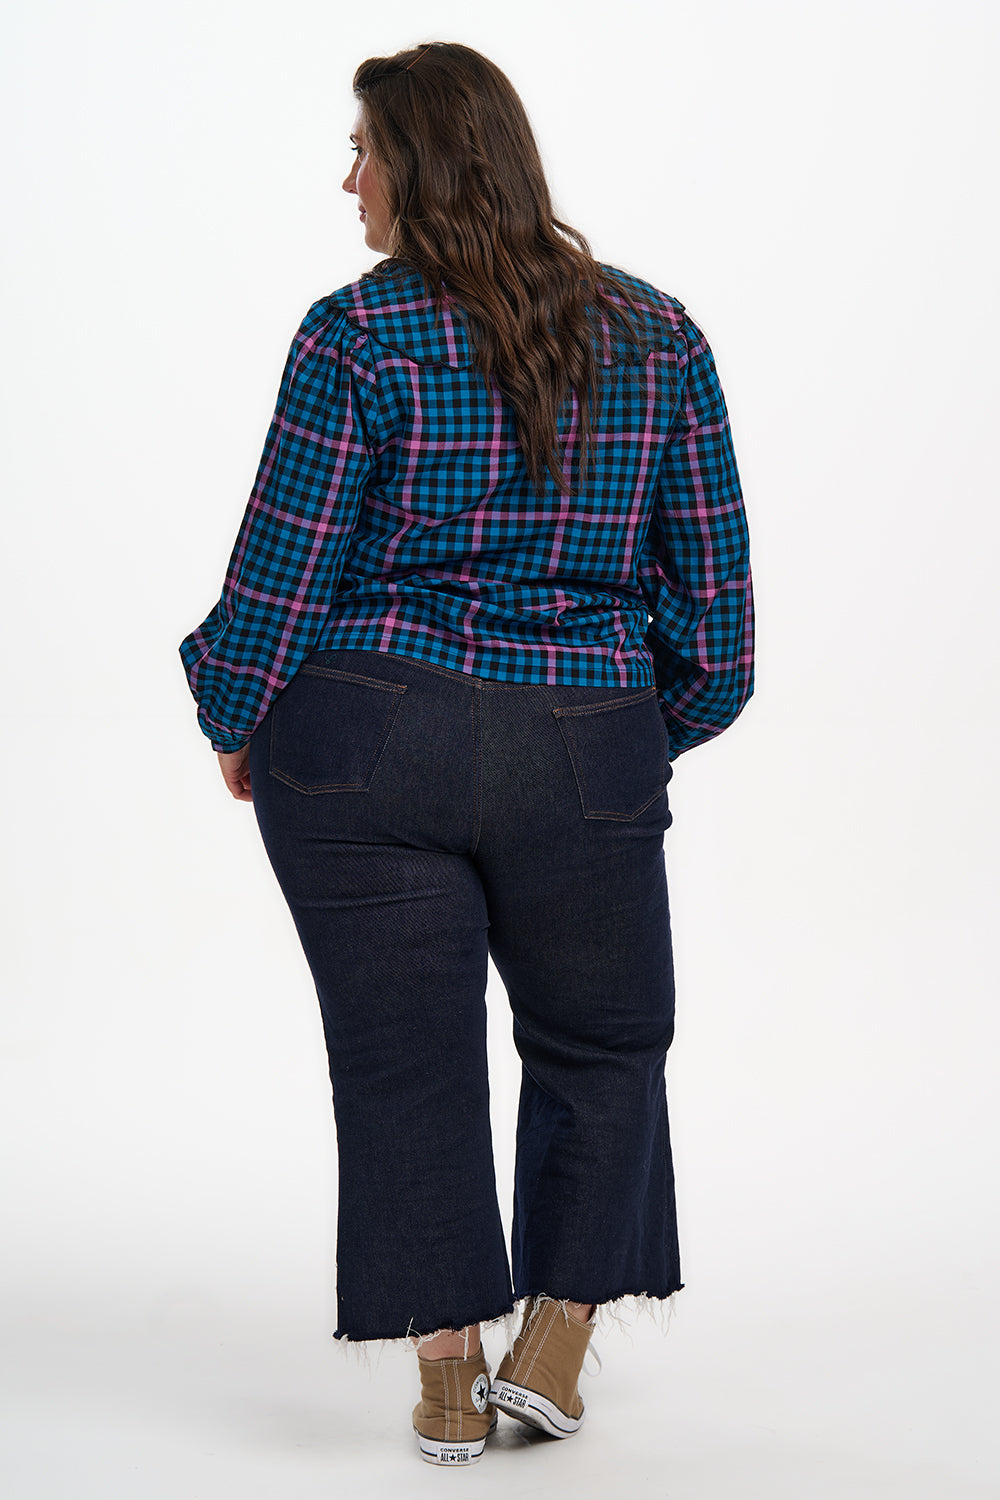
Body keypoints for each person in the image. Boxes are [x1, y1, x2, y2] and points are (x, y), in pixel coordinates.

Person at [179, 40, 753, 1467]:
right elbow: (723, 633)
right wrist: (616, 734)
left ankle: (448, 1372)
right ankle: (554, 1339)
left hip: (367, 740)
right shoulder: (660, 338)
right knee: (605, 1041)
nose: (348, 177)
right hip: (585, 733)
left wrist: (235, 712)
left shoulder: (354, 337)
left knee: (402, 1058)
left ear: (422, 164)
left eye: (363, 148)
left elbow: (280, 578)